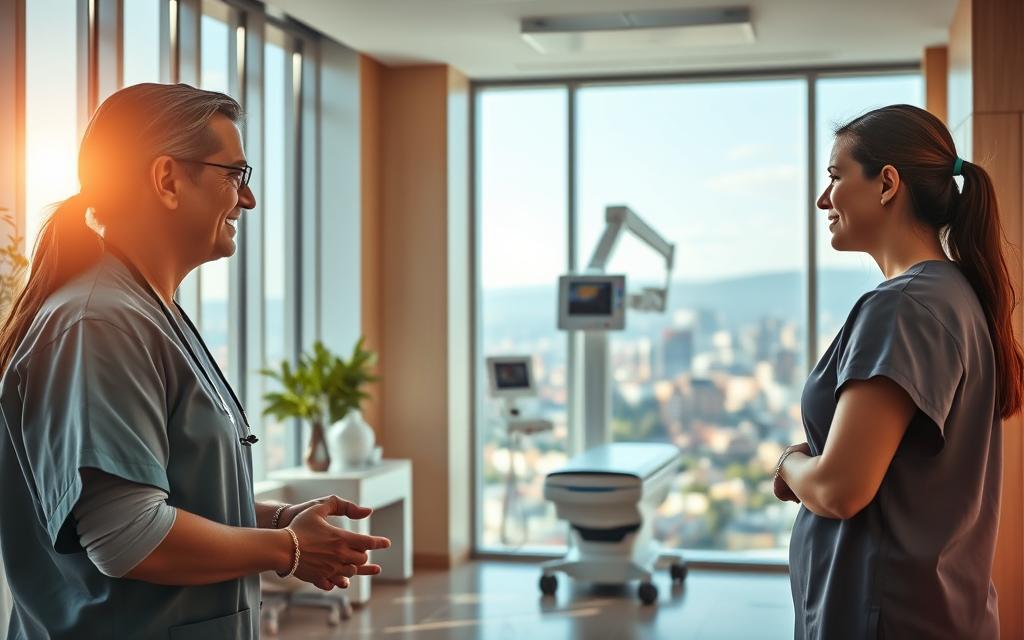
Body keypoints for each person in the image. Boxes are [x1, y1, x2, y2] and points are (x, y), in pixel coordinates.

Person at [0, 83, 390, 639]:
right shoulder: (100, 324)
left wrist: (281, 518)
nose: (247, 200)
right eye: (235, 175)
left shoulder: (145, 311)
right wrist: (291, 549)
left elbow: (168, 496)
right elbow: (129, 538)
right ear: (166, 180)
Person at [773, 104, 1023, 639]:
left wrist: (789, 464)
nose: (823, 200)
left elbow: (841, 488)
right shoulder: (954, 295)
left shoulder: (903, 306)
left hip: (885, 616)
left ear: (887, 183)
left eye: (835, 177)